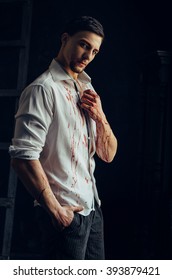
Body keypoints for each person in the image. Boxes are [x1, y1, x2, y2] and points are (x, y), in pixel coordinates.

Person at [9, 15, 117, 260]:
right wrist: (56, 212)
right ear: (65, 39)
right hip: (65, 214)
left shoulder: (88, 90)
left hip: (93, 211)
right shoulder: (43, 89)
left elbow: (108, 154)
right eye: (83, 45)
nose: (88, 55)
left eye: (95, 51)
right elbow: (23, 158)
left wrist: (100, 117)